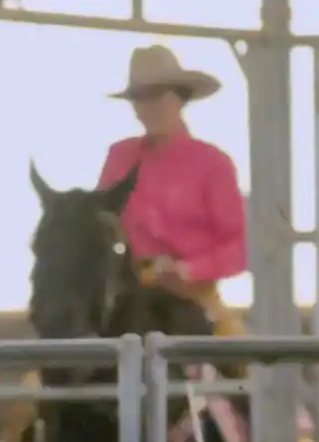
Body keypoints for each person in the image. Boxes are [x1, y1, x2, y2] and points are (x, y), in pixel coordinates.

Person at [98, 45, 248, 338]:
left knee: (238, 357)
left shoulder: (213, 164)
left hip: (194, 299)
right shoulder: (119, 156)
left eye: (157, 95)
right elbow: (99, 225)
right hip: (125, 296)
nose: (147, 106)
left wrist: (188, 270)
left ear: (180, 97)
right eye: (140, 97)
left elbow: (237, 249)